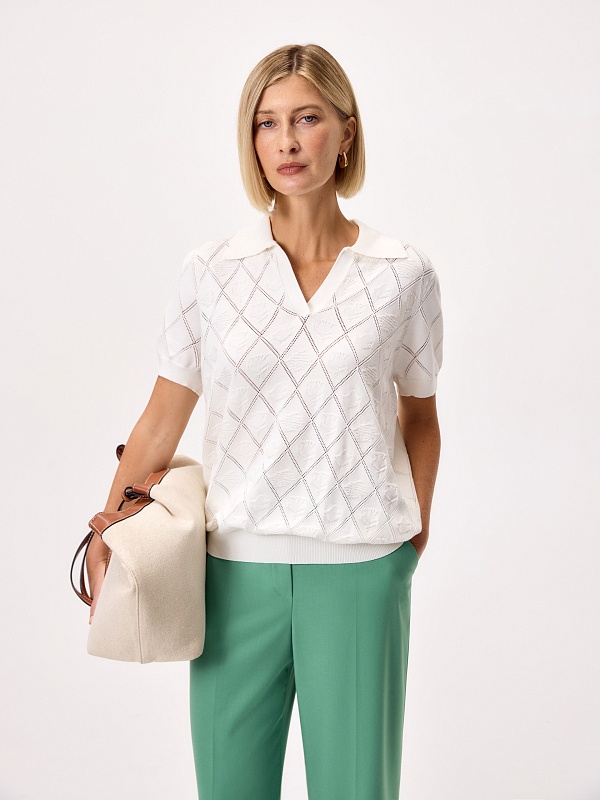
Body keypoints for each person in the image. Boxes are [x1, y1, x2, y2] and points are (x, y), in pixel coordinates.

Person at [86, 42, 443, 800]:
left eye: (307, 118)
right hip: (232, 575)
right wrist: (108, 526)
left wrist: (411, 534)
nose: (286, 141)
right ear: (251, 140)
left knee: (358, 790)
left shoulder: (401, 273)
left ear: (346, 132)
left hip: (360, 571)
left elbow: (420, 415)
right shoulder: (212, 271)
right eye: (267, 122)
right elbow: (163, 417)